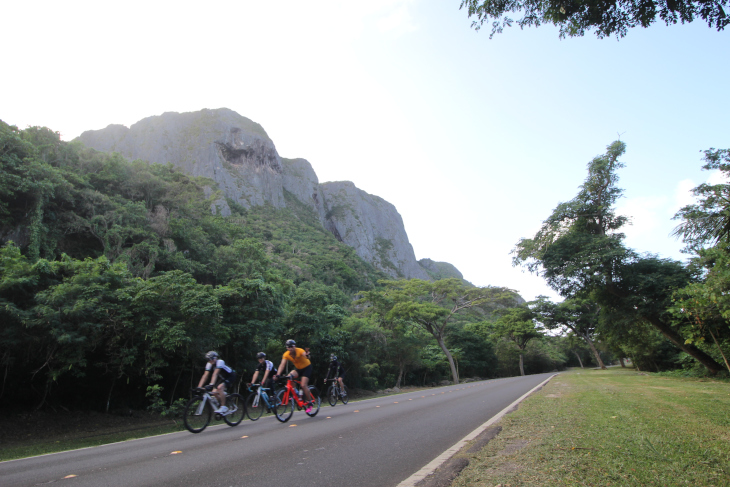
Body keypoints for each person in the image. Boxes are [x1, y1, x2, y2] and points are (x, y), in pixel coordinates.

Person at [274, 339, 314, 413]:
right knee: (289, 377)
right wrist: (278, 374)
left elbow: (306, 356)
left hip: (307, 368)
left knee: (303, 385)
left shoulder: (300, 350)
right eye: (288, 347)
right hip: (298, 369)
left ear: (294, 346)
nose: (290, 348)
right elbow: (282, 365)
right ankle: (296, 393)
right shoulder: (286, 354)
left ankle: (310, 402)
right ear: (287, 348)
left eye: (292, 346)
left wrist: (307, 355)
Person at [197, 351, 236, 415]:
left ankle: (223, 407)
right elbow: (205, 375)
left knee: (219, 388)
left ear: (216, 357)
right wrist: (199, 387)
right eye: (209, 359)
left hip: (230, 376)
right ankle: (224, 400)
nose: (211, 360)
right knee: (214, 393)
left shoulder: (220, 362)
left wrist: (211, 384)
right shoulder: (209, 364)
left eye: (212, 358)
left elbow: (215, 374)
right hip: (222, 378)